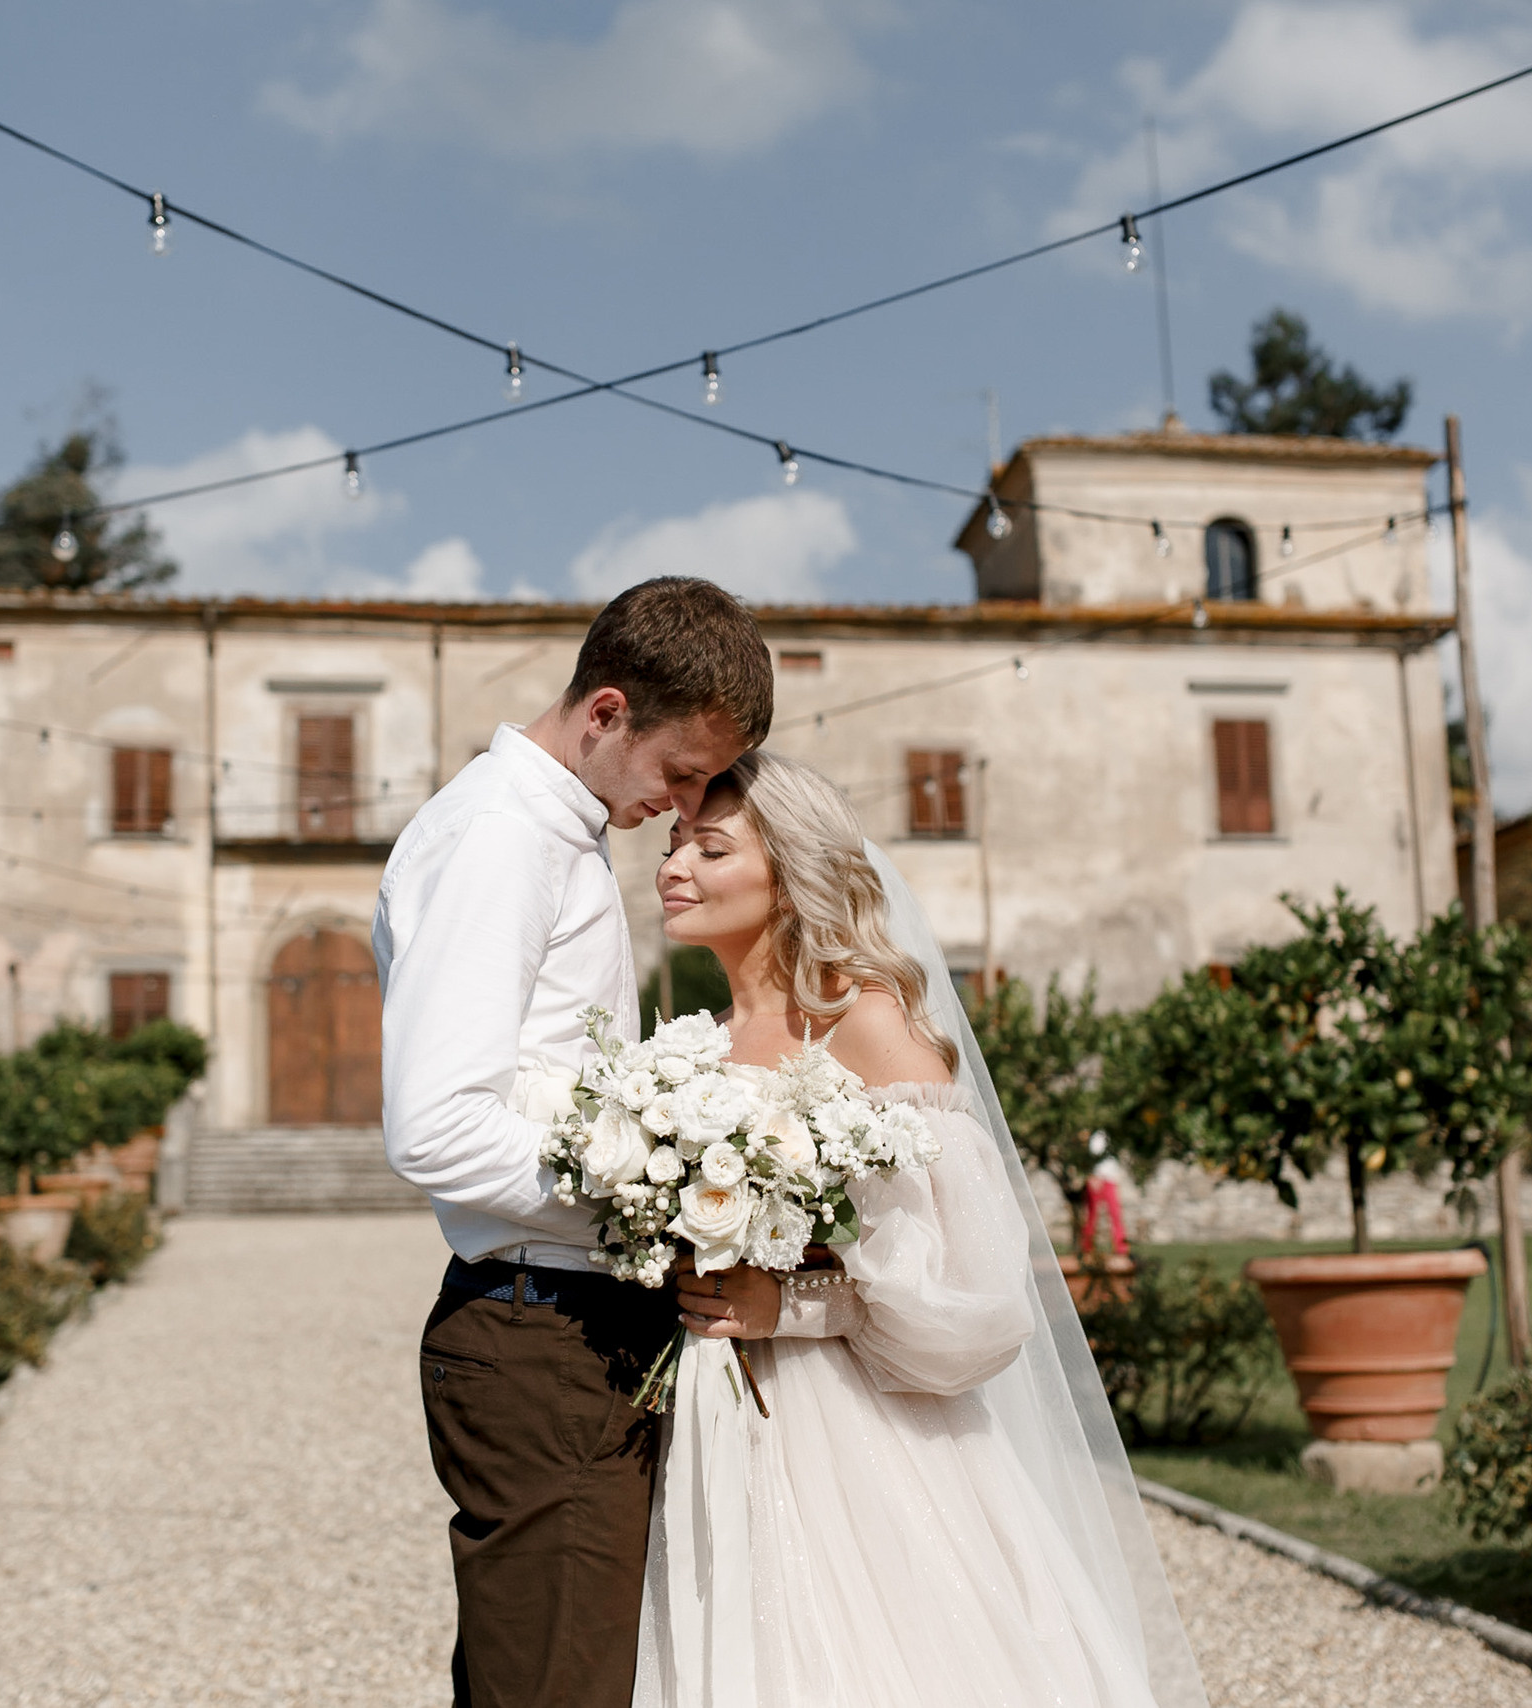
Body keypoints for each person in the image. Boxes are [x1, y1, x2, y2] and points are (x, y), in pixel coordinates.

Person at [636, 751, 1208, 1708]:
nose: (674, 867)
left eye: (710, 847)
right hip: (709, 1415)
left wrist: (791, 1306)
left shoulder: (865, 1019)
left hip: (857, 1427)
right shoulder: (688, 1043)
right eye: (672, 843)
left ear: (792, 872)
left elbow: (971, 1282)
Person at [374, 576, 774, 1708]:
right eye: (679, 772)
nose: (686, 803)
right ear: (605, 714)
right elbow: (437, 1126)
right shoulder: (504, 837)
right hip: (540, 1335)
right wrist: (658, 1203)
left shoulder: (552, 829)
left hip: (572, 1329)